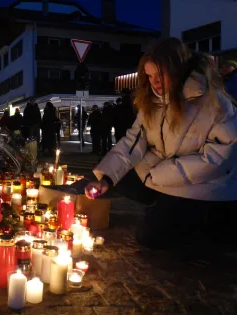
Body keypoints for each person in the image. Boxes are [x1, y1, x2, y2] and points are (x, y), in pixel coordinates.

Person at [85, 37, 237, 249]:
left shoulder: (213, 101)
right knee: (122, 179)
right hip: (168, 174)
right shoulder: (153, 101)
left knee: (151, 238)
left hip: (208, 186)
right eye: (149, 75)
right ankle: (166, 207)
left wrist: (158, 174)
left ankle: (211, 227)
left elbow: (217, 159)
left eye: (161, 74)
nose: (155, 82)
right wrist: (105, 180)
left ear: (178, 69)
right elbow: (133, 142)